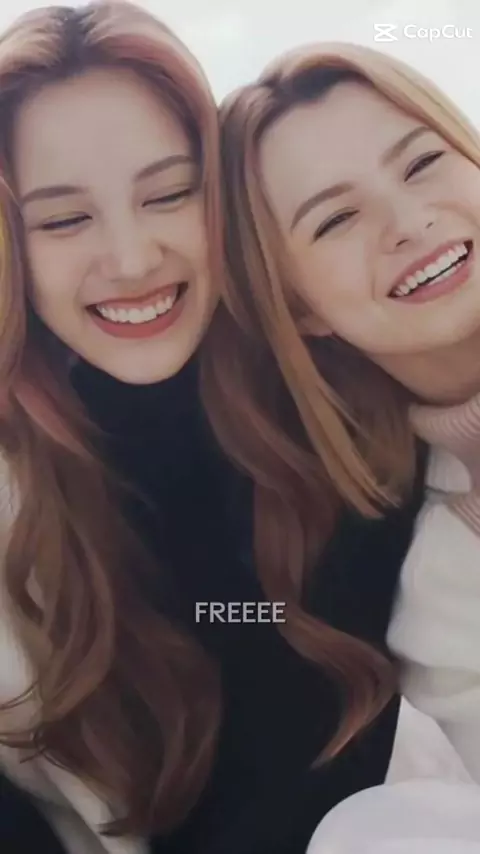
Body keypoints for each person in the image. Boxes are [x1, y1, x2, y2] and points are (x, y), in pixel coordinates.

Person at [0, 7, 425, 852]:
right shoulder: (20, 492)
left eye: (168, 194)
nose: (131, 260)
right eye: (64, 220)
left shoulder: (348, 401)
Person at [217, 40, 480, 796]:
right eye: (335, 219)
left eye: (421, 163)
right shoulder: (442, 589)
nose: (408, 222)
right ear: (299, 309)